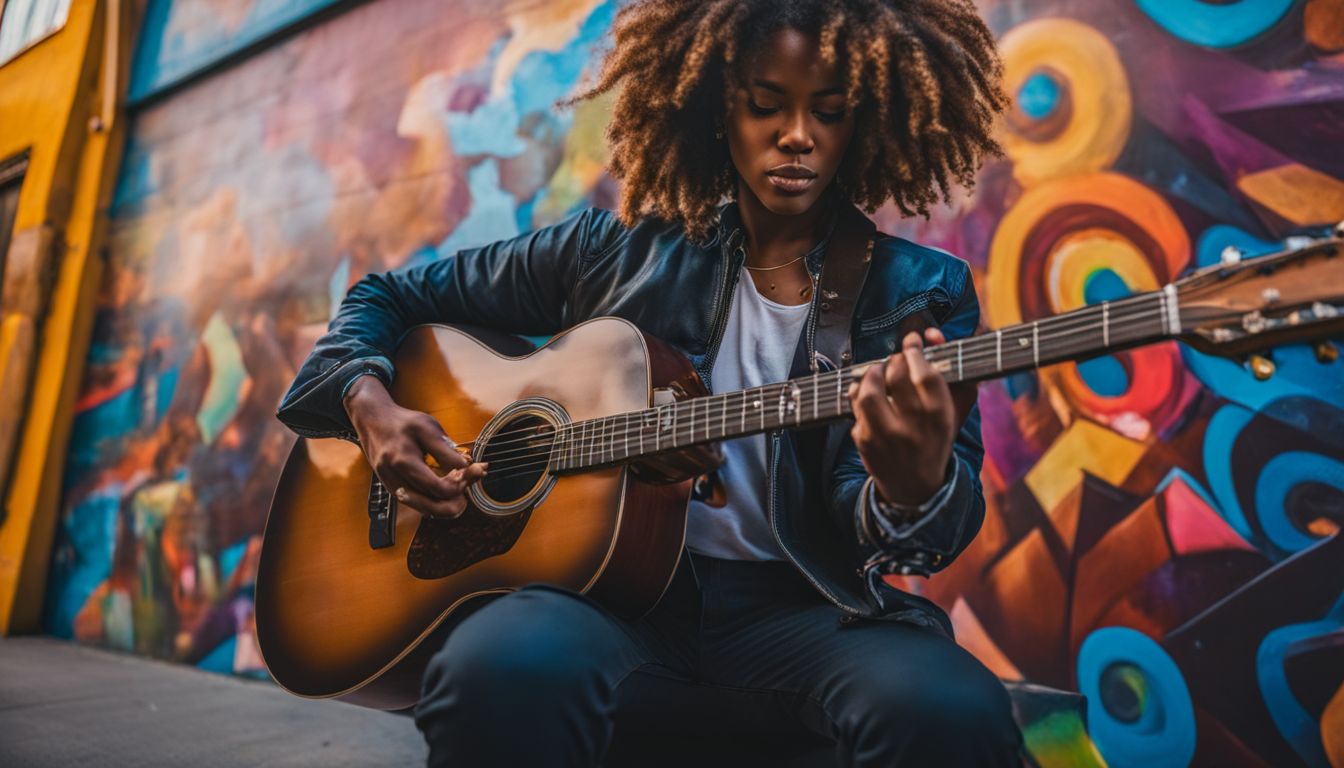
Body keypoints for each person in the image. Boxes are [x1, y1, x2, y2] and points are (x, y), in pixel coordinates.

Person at [276, 0, 1021, 764]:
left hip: (809, 613)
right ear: (715, 108)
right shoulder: (611, 249)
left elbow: (930, 535)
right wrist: (368, 406)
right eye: (765, 106)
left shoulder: (922, 293)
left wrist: (911, 488)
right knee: (496, 662)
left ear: (860, 124)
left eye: (828, 113)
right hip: (614, 609)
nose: (797, 136)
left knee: (950, 709)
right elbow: (383, 299)